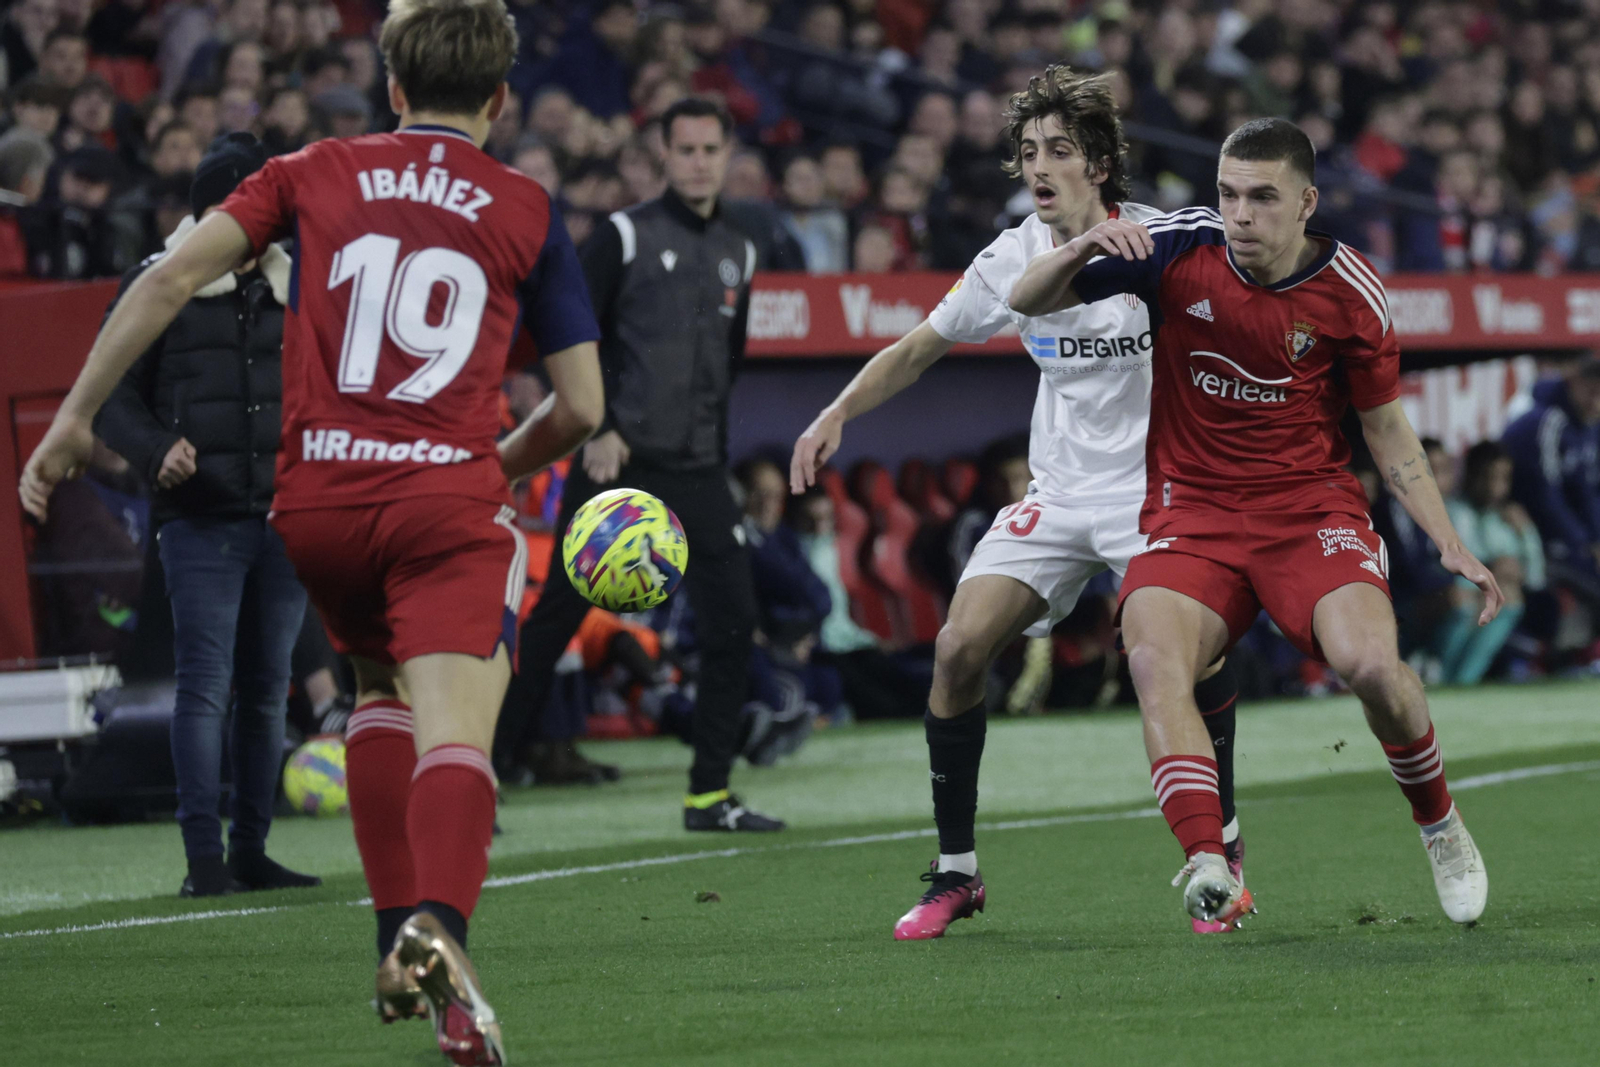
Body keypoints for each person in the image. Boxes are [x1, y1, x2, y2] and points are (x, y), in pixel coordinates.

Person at [19, 2, 606, 1063]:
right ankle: (443, 933)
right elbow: (580, 406)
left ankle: (406, 957)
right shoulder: (525, 204)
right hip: (441, 505)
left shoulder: (311, 169)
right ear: (500, 99)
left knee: (378, 693)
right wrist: (489, 467)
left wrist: (70, 419)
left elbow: (165, 279)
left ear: (392, 88)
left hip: (318, 509)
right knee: (458, 734)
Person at [790, 65, 1246, 940]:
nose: (1039, 166)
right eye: (1028, 151)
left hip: (1159, 494)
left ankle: (1221, 854)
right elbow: (920, 347)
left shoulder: (1161, 243)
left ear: (1101, 163)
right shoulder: (1009, 256)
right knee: (959, 646)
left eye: (1060, 150)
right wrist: (836, 410)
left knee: (1178, 663)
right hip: (1061, 490)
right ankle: (957, 872)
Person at [1008, 117, 1497, 929]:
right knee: (1155, 660)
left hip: (1308, 512)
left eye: (1262, 197)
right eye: (1228, 194)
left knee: (1374, 668)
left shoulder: (1354, 292)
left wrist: (1447, 537)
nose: (1239, 214)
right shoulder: (1174, 249)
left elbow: (1384, 426)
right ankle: (1209, 860)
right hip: (1192, 513)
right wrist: (1089, 246)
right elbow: (1027, 303)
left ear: (1305, 202)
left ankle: (1440, 823)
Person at [498, 96, 784, 833]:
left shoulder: (744, 244)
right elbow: (571, 335)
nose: (697, 161)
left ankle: (708, 795)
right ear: (663, 154)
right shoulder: (621, 236)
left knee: (734, 621)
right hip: (616, 459)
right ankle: (480, 781)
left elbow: (731, 356)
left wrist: (715, 452)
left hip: (696, 465)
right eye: (684, 149)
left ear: (727, 155)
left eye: (709, 150)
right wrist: (602, 423)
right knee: (556, 616)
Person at [92, 132, 318, 899]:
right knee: (207, 686)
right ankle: (204, 860)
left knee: (265, 689)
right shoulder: (157, 284)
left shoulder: (302, 288)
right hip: (200, 519)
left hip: (285, 517)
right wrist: (157, 450)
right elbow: (107, 398)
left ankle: (248, 849)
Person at [1501, 356, 1600, 616]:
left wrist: (1596, 540)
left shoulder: (1588, 426)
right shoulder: (1546, 421)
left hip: (1568, 536)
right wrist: (1584, 545)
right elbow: (1546, 496)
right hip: (1531, 534)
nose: (1596, 402)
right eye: (1591, 392)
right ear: (1573, 383)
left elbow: (1587, 490)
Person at [1439, 442, 1543, 684]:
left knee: (1510, 598)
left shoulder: (1507, 520)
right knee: (1471, 598)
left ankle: (1466, 680)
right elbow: (1459, 562)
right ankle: (1442, 676)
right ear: (1470, 476)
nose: (1494, 487)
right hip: (1451, 597)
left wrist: (1525, 532)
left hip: (1491, 597)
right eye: (1487, 477)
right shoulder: (1455, 512)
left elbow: (1536, 576)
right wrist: (1495, 569)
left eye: (1502, 478)